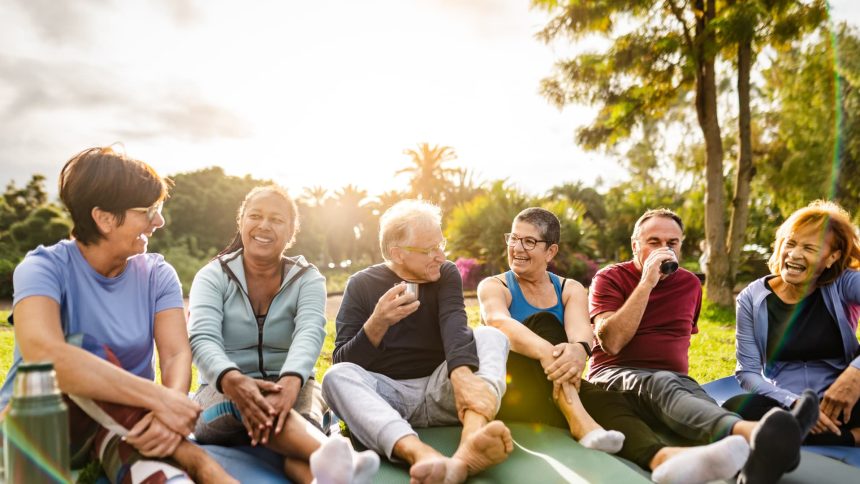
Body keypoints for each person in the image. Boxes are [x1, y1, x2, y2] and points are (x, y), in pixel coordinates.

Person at [0, 147, 233, 483]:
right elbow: (45, 355)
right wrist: (160, 399)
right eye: (149, 211)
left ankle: (188, 468)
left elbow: (175, 354)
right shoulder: (42, 268)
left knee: (159, 473)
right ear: (105, 218)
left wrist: (167, 414)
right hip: (40, 424)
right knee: (79, 347)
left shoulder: (157, 274)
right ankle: (201, 463)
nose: (159, 221)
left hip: (120, 428)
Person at [479, 207, 751, 483]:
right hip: (514, 393)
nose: (517, 248)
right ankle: (577, 417)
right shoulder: (494, 286)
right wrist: (552, 354)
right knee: (544, 322)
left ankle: (662, 459)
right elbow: (498, 322)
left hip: (554, 391)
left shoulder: (569, 288)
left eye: (529, 241)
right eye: (514, 238)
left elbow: (582, 337)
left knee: (609, 401)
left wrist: (578, 350)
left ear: (550, 251)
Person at [588, 208, 820, 484]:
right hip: (614, 377)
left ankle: (756, 463)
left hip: (676, 381)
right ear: (635, 245)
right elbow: (612, 342)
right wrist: (647, 282)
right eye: (654, 242)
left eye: (672, 243)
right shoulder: (609, 278)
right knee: (664, 384)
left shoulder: (690, 284)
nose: (664, 249)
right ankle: (756, 433)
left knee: (700, 403)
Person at [188, 185, 379, 484]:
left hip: (294, 384)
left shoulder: (308, 278)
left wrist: (291, 381)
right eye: (255, 216)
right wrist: (233, 380)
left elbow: (309, 332)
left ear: (291, 232)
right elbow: (202, 337)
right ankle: (349, 462)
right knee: (267, 415)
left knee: (299, 431)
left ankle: (334, 476)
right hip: (223, 390)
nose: (264, 225)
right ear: (241, 222)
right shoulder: (213, 276)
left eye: (276, 219)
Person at [322, 200, 513, 484]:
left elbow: (454, 324)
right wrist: (377, 322)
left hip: (443, 390)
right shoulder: (361, 284)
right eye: (429, 250)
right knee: (335, 376)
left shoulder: (446, 273)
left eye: (441, 245)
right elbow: (342, 360)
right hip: (388, 399)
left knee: (491, 336)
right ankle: (420, 454)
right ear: (397, 253)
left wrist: (461, 375)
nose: (440, 255)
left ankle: (470, 442)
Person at [727, 200, 860, 447]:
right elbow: (747, 372)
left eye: (809, 248)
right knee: (736, 409)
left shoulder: (844, 283)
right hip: (786, 405)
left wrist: (855, 374)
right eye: (790, 243)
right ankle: (850, 437)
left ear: (832, 257)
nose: (795, 254)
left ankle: (795, 436)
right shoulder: (751, 298)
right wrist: (795, 403)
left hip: (845, 401)